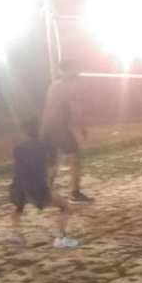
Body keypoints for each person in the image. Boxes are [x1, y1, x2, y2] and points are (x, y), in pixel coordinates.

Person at [9, 119, 78, 248]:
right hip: (38, 190)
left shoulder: (18, 149)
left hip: (19, 187)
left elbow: (18, 170)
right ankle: (60, 238)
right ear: (38, 130)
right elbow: (51, 168)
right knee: (66, 207)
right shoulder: (43, 146)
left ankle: (14, 234)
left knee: (18, 208)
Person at [41, 59, 93, 202]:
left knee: (53, 161)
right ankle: (75, 193)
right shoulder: (70, 87)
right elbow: (76, 110)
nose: (77, 72)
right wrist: (82, 127)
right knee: (75, 158)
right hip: (59, 127)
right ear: (69, 70)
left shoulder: (54, 85)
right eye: (75, 69)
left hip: (47, 127)